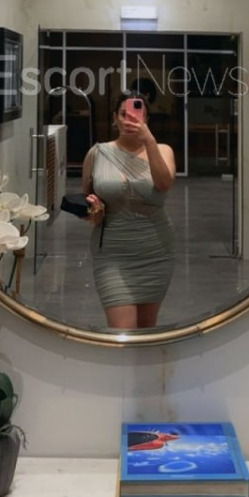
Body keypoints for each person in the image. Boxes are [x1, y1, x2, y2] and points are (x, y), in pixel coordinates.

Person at [82, 91, 176, 329]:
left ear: (146, 119)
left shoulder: (163, 150)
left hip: (156, 251)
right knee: (122, 332)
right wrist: (94, 212)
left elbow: (163, 183)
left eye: (136, 114)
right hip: (112, 253)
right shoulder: (97, 154)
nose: (129, 120)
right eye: (124, 114)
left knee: (147, 331)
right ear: (115, 118)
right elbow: (87, 203)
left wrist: (149, 141)